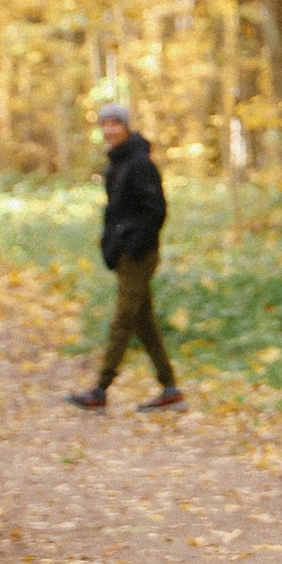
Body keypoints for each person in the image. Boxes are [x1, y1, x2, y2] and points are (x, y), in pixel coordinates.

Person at [64, 103, 181, 412]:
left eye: (115, 123)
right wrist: (112, 244)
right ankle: (170, 389)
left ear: (126, 126)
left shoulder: (140, 163)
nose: (109, 129)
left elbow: (156, 210)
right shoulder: (116, 163)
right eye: (105, 123)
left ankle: (100, 389)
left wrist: (132, 243)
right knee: (144, 323)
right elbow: (115, 211)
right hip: (126, 253)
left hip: (139, 255)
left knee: (121, 321)